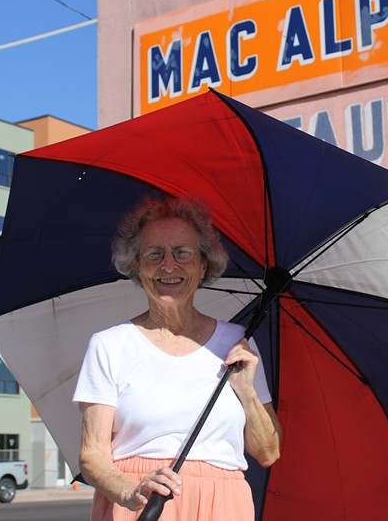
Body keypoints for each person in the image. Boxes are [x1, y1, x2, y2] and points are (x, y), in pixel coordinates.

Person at [73, 195, 282, 521]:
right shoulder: (110, 345)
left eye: (182, 253)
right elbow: (92, 454)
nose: (168, 265)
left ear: (202, 266)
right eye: (154, 254)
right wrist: (131, 491)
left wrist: (247, 391)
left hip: (223, 505)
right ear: (138, 267)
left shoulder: (238, 344)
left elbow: (268, 452)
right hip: (140, 502)